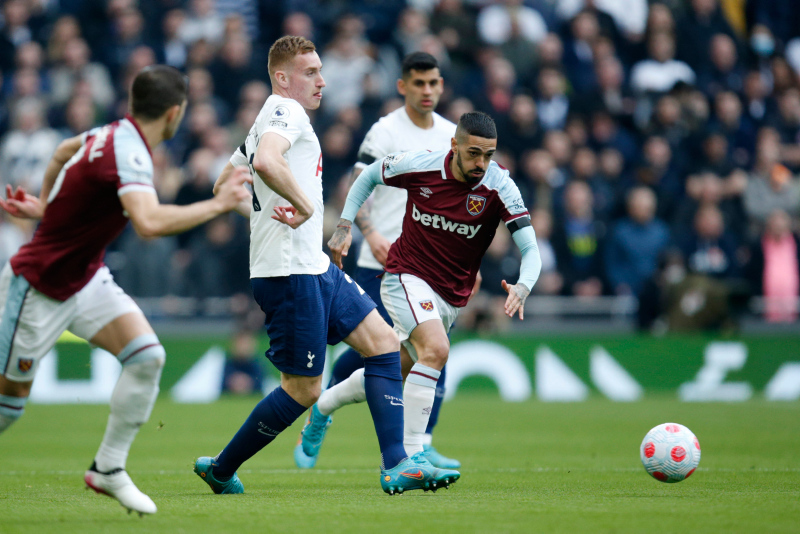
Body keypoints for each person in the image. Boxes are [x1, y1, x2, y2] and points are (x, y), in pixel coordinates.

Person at [193, 36, 459, 497]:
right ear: (282, 78)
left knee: (381, 345)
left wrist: (262, 211)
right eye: (310, 72)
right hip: (289, 273)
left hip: (313, 266)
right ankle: (221, 467)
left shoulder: (266, 120)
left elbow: (227, 183)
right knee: (304, 390)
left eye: (320, 69)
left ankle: (397, 463)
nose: (321, 79)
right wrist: (302, 207)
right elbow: (265, 162)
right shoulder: (285, 111)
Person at [0, 65, 252, 516]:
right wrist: (219, 204)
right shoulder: (131, 151)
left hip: (86, 278)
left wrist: (47, 206)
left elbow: (61, 151)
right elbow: (150, 223)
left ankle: (109, 469)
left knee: (148, 357)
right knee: (7, 410)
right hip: (38, 287)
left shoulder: (114, 131)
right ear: (175, 113)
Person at [319, 111, 541, 465]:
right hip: (404, 274)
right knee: (437, 349)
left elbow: (531, 249)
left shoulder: (500, 186)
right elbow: (367, 176)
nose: (481, 163)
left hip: (450, 294)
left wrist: (524, 284)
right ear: (454, 145)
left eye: (489, 154)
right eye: (473, 153)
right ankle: (413, 454)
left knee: (398, 367)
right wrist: (346, 225)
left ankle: (324, 405)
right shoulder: (421, 165)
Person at [293, 52, 462, 471]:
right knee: (383, 350)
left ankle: (420, 440)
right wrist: (368, 232)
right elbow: (360, 182)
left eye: (434, 83)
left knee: (428, 351)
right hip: (379, 259)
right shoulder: (385, 131)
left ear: (441, 86)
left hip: (432, 264)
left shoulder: (453, 135)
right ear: (402, 86)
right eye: (419, 83)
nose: (427, 91)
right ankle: (324, 411)